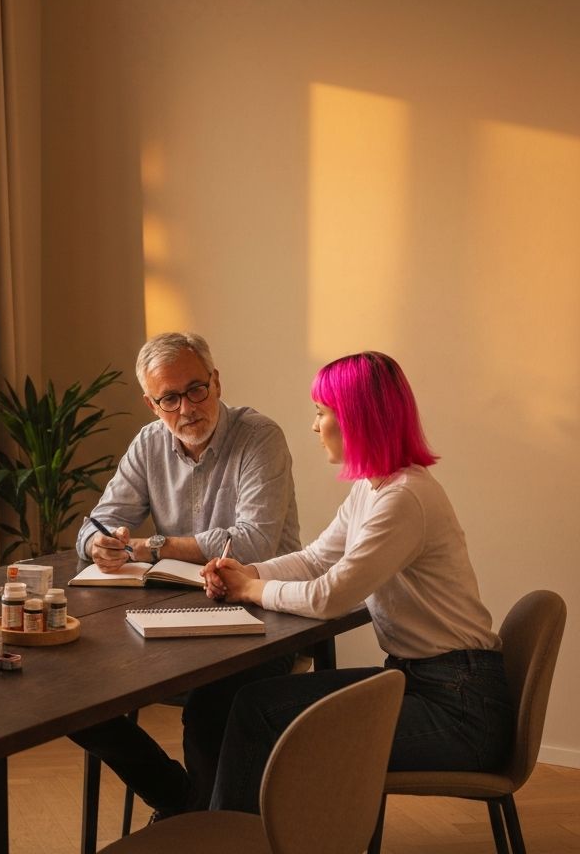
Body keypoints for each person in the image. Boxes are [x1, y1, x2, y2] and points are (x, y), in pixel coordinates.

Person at [203, 351, 513, 814]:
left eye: (321, 413)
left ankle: (230, 841)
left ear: (356, 419)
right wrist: (251, 572)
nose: (314, 426)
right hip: (421, 683)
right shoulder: (373, 488)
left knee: (263, 716)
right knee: (253, 704)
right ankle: (234, 838)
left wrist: (250, 590)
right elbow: (315, 559)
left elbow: (331, 595)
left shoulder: (404, 498)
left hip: (459, 709)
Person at [70, 332, 302, 815]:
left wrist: (151, 545)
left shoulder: (260, 436)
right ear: (151, 403)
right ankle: (185, 806)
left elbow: (253, 542)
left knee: (212, 703)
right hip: (178, 615)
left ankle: (207, 824)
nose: (186, 408)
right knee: (78, 700)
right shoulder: (149, 442)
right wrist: (101, 543)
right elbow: (93, 526)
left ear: (216, 382)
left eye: (195, 389)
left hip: (264, 616)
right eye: (169, 398)